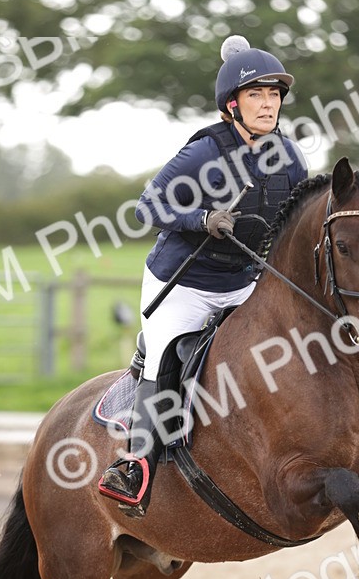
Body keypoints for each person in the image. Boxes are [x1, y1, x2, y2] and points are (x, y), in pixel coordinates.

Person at [98, 33, 308, 516]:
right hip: (183, 285)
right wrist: (200, 220)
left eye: (274, 95)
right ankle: (135, 467)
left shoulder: (290, 157)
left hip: (245, 282)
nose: (267, 104)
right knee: (164, 357)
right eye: (256, 94)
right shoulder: (205, 152)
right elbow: (146, 205)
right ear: (231, 105)